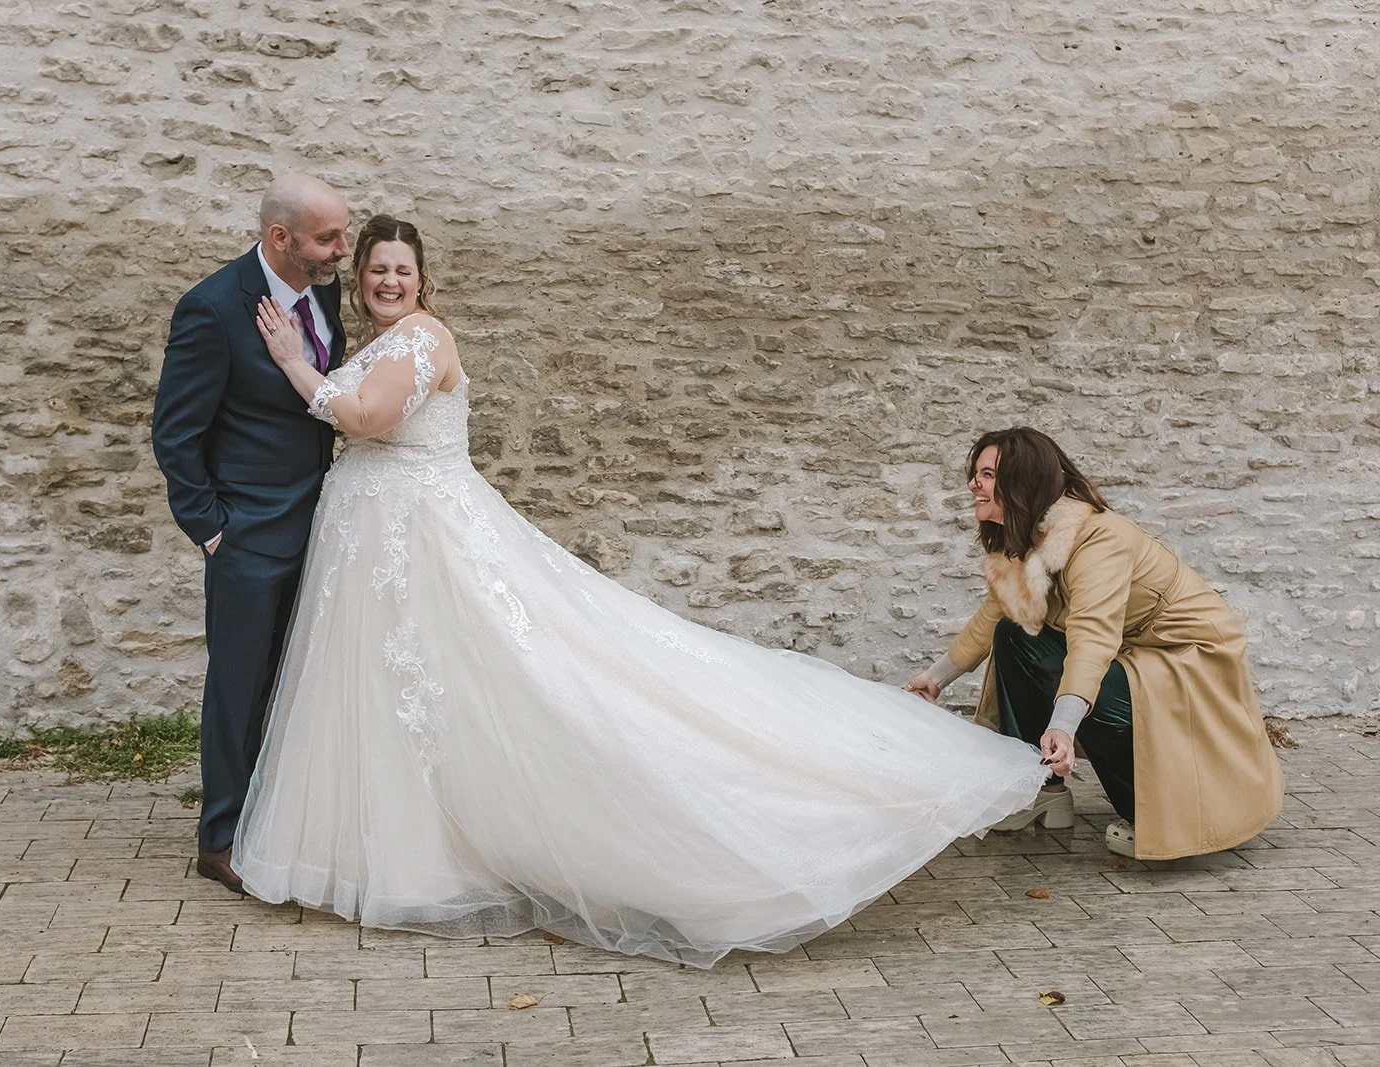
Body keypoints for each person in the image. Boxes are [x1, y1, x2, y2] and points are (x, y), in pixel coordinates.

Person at [230, 215, 1050, 968]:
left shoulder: (423, 336)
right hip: (386, 551)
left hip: (430, 542)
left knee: (531, 680)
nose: (388, 281)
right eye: (377, 268)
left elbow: (367, 418)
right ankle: (396, 854)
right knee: (401, 692)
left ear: (422, 279)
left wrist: (296, 364)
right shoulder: (380, 340)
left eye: (401, 270)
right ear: (360, 278)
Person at [906, 428, 1284, 860]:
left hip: (1185, 657)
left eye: (988, 474)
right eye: (976, 473)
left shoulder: (1098, 539)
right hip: (1129, 652)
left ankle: (1153, 815)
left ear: (1022, 482)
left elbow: (1092, 636)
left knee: (1098, 692)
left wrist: (1063, 725)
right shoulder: (1027, 539)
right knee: (1014, 634)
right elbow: (994, 615)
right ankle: (1041, 788)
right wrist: (934, 679)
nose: (974, 483)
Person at [150, 175, 350, 891]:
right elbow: (176, 434)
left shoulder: (323, 293)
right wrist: (212, 530)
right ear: (280, 237)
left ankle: (276, 818)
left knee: (296, 681)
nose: (342, 250)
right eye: (328, 238)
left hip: (322, 521)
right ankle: (222, 838)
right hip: (248, 534)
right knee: (238, 686)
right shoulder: (212, 308)